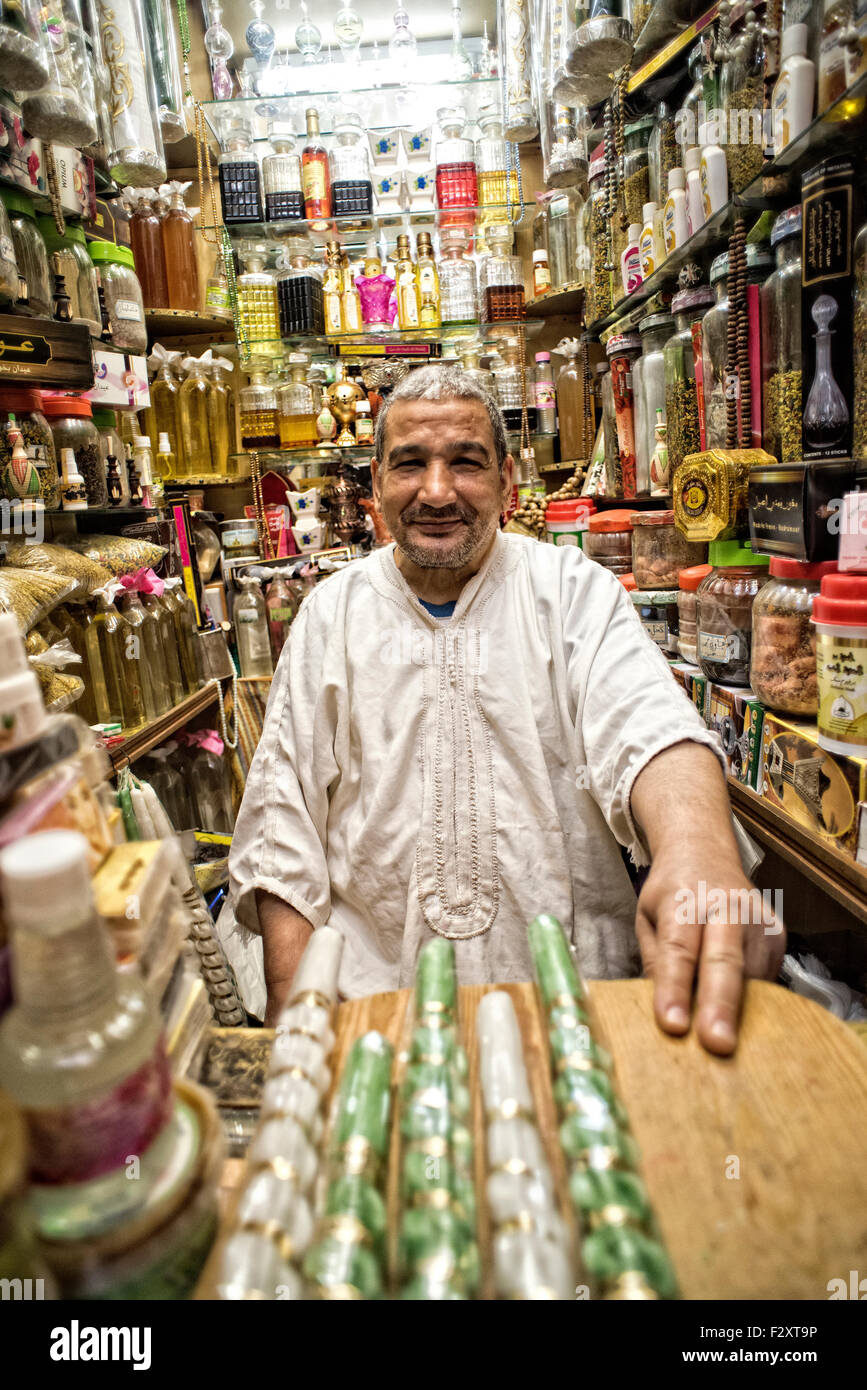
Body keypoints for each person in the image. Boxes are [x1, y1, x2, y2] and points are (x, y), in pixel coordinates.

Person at [228, 367, 785, 1053]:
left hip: (576, 1015)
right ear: (375, 485)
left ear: (506, 482)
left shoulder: (571, 591)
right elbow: (285, 827)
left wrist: (698, 851)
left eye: (465, 462)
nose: (436, 491)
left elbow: (649, 730)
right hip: (377, 1022)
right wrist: (296, 1018)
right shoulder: (330, 616)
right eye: (409, 465)